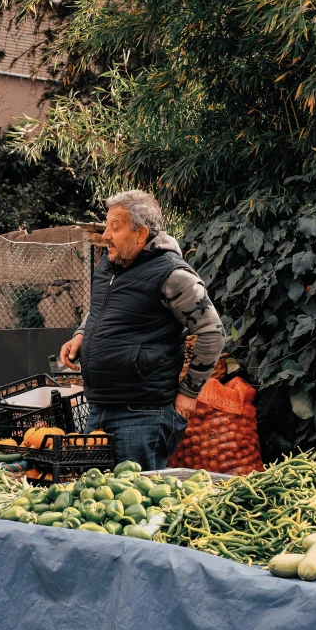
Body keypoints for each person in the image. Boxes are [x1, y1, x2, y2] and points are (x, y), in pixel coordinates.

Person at [60, 190, 225, 470]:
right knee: (92, 501)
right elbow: (102, 308)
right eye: (107, 225)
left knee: (138, 505)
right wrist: (81, 334)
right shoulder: (110, 264)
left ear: (141, 234)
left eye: (116, 227)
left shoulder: (173, 275)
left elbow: (212, 332)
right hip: (99, 406)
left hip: (143, 415)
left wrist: (188, 393)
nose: (106, 235)